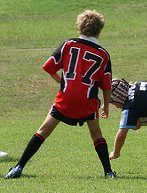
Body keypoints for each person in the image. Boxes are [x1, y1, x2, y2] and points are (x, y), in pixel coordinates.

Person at [4, 10, 116, 179]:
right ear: (100, 29)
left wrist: (61, 81)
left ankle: (18, 167)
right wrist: (105, 106)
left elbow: (48, 66)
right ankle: (108, 172)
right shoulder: (103, 54)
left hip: (66, 99)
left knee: (43, 131)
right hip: (87, 101)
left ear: (79, 26)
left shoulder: (68, 44)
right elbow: (106, 86)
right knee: (96, 134)